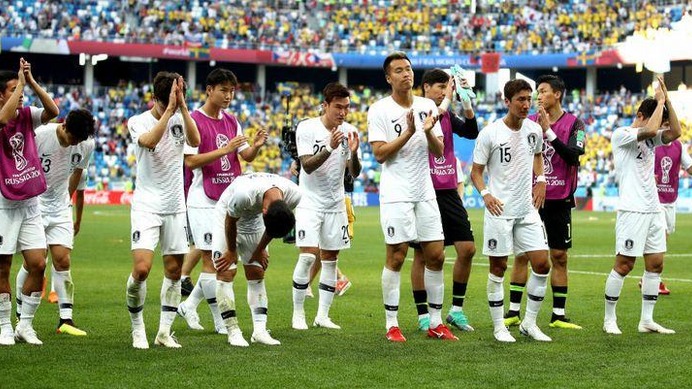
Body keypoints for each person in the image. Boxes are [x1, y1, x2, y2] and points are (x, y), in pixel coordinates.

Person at [368, 52, 457, 342]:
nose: (406, 74)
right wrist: (408, 133)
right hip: (396, 194)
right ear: (388, 77)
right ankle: (392, 325)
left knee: (437, 255)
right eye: (399, 70)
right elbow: (380, 154)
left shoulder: (427, 105)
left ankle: (435, 322)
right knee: (396, 256)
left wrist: (429, 132)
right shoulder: (379, 110)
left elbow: (440, 151)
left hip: (425, 192)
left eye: (408, 69)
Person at [176, 68, 266, 335]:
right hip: (203, 198)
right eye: (223, 90)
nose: (228, 96)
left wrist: (257, 146)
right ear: (209, 90)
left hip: (229, 199)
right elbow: (190, 161)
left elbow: (244, 156)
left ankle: (190, 306)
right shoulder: (193, 120)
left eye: (232, 91)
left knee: (219, 262)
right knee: (213, 262)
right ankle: (219, 319)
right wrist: (224, 150)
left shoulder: (231, 120)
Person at [470, 79, 552, 343]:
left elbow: (538, 156)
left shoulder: (534, 130)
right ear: (507, 102)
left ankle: (529, 323)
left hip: (527, 210)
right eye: (520, 99)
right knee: (498, 267)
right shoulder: (490, 133)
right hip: (499, 211)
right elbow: (476, 172)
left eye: (529, 99)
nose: (526, 104)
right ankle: (498, 327)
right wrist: (485, 194)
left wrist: (541, 181)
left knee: (542, 264)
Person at [504, 75, 586, 330]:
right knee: (522, 255)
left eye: (542, 91)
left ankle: (558, 315)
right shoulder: (527, 123)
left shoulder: (575, 123)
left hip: (560, 199)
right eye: (537, 92)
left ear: (558, 94)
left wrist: (548, 131)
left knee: (559, 256)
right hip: (530, 200)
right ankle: (514, 311)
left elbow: (574, 155)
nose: (538, 97)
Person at [125, 72, 200, 349]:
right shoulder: (139, 121)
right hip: (147, 205)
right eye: (168, 98)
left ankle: (164, 332)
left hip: (175, 207)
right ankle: (137, 328)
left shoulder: (182, 118)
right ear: (155, 98)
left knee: (173, 271)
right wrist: (169, 110)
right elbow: (149, 141)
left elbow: (196, 140)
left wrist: (182, 108)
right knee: (142, 269)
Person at [603, 77, 680, 335]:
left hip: (653, 209)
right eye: (658, 118)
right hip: (632, 209)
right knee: (624, 264)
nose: (661, 126)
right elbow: (649, 130)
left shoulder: (652, 139)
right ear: (640, 115)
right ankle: (609, 319)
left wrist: (667, 101)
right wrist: (659, 102)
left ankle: (646, 320)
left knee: (656, 263)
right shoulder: (622, 134)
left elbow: (676, 133)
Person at [410, 68, 479, 333]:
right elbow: (432, 118)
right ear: (426, 88)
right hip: (425, 190)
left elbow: (471, 132)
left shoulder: (447, 113)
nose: (443, 91)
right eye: (440, 87)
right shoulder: (420, 109)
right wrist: (450, 97)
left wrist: (467, 103)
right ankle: (423, 314)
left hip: (449, 190)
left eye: (445, 87)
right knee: (423, 255)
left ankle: (456, 311)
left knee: (467, 249)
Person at [15, 109, 95, 337]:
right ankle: (21, 313)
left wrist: (66, 199)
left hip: (60, 207)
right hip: (35, 204)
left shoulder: (86, 143)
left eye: (80, 141)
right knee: (35, 263)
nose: (75, 144)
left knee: (63, 260)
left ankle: (66, 319)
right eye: (73, 139)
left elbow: (79, 171)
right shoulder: (41, 135)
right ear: (64, 126)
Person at [291, 82, 361, 330]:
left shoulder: (350, 131)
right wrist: (330, 146)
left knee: (330, 259)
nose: (342, 113)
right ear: (325, 105)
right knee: (309, 256)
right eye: (338, 107)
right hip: (309, 202)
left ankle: (322, 315)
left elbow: (354, 173)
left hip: (335, 204)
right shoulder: (308, 128)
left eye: (347, 108)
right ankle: (298, 314)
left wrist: (353, 154)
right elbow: (307, 166)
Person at [0, 58, 59, 346]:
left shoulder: (26, 114)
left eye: (19, 89)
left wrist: (31, 82)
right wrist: (19, 86)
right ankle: (3, 326)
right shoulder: (3, 116)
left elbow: (53, 111)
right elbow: (2, 119)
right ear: (1, 94)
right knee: (2, 268)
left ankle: (25, 325)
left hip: (30, 202)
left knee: (37, 263)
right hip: (3, 203)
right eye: (12, 89)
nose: (19, 93)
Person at [212, 172, 300, 346]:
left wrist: (260, 250)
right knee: (226, 271)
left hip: (255, 220)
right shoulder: (244, 193)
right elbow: (230, 221)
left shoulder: (294, 194)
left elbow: (274, 227)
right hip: (227, 214)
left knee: (257, 270)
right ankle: (233, 331)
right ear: (264, 210)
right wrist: (231, 250)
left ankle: (259, 331)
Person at [649, 131, 692, 295]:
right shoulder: (652, 144)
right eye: (665, 125)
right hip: (655, 199)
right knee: (662, 237)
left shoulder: (679, 147)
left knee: (664, 238)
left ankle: (649, 276)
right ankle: (654, 278)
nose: (668, 129)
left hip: (670, 199)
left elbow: (689, 168)